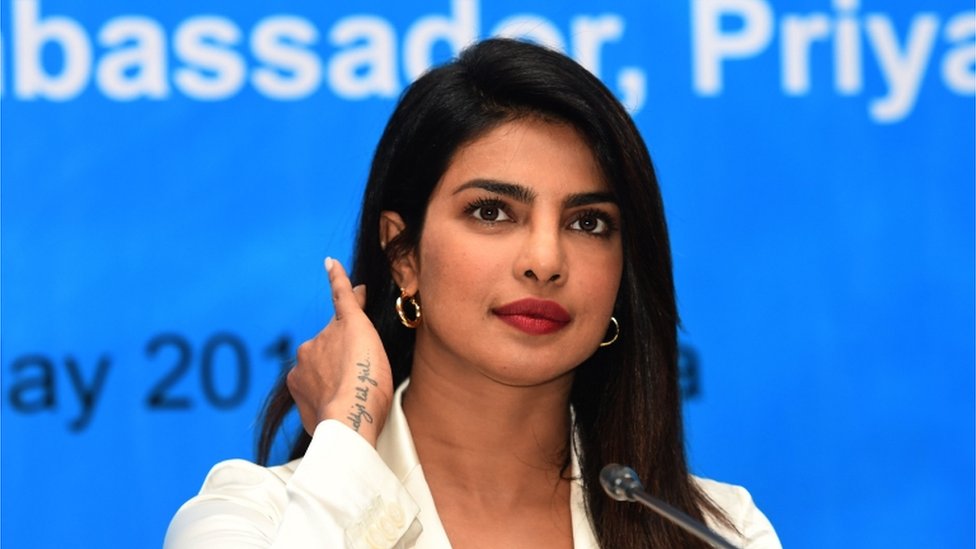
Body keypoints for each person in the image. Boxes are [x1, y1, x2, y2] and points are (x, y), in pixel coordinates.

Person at [165, 38, 781, 548]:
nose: (545, 260)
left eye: (588, 222)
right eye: (491, 212)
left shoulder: (717, 533)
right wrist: (349, 432)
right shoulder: (250, 518)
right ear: (403, 255)